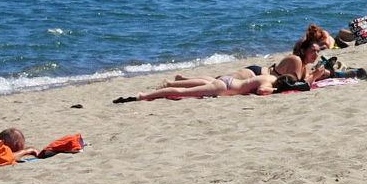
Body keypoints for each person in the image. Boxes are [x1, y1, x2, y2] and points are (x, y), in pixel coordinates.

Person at [118, 68, 279, 101]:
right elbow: (262, 91)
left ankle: (177, 80)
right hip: (225, 87)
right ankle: (144, 95)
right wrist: (274, 91)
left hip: (228, 81)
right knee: (181, 92)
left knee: (203, 82)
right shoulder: (270, 82)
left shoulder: (268, 76)